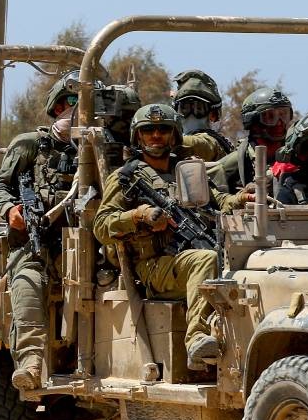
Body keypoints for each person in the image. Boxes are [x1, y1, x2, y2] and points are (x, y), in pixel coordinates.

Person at [94, 104, 253, 370]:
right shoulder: (125, 177)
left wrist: (242, 198)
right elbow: (101, 225)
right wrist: (138, 216)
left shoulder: (188, 172)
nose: (156, 136)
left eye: (163, 130)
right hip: (154, 266)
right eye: (148, 131)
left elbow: (219, 201)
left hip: (192, 253)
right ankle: (196, 340)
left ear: (174, 135)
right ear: (138, 136)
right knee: (205, 260)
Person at [0, 69, 82, 391]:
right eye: (71, 102)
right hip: (35, 247)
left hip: (85, 251)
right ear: (57, 108)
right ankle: (30, 364)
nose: (76, 110)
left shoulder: (97, 151)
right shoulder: (30, 145)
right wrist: (11, 210)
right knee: (27, 285)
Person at [208, 88, 292, 193]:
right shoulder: (236, 162)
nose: (280, 123)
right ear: (253, 121)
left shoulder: (296, 156)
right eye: (271, 116)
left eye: (284, 115)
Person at [172, 69, 233, 161]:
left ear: (212, 115)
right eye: (185, 109)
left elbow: (195, 144)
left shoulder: (211, 142)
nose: (191, 115)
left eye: (199, 109)